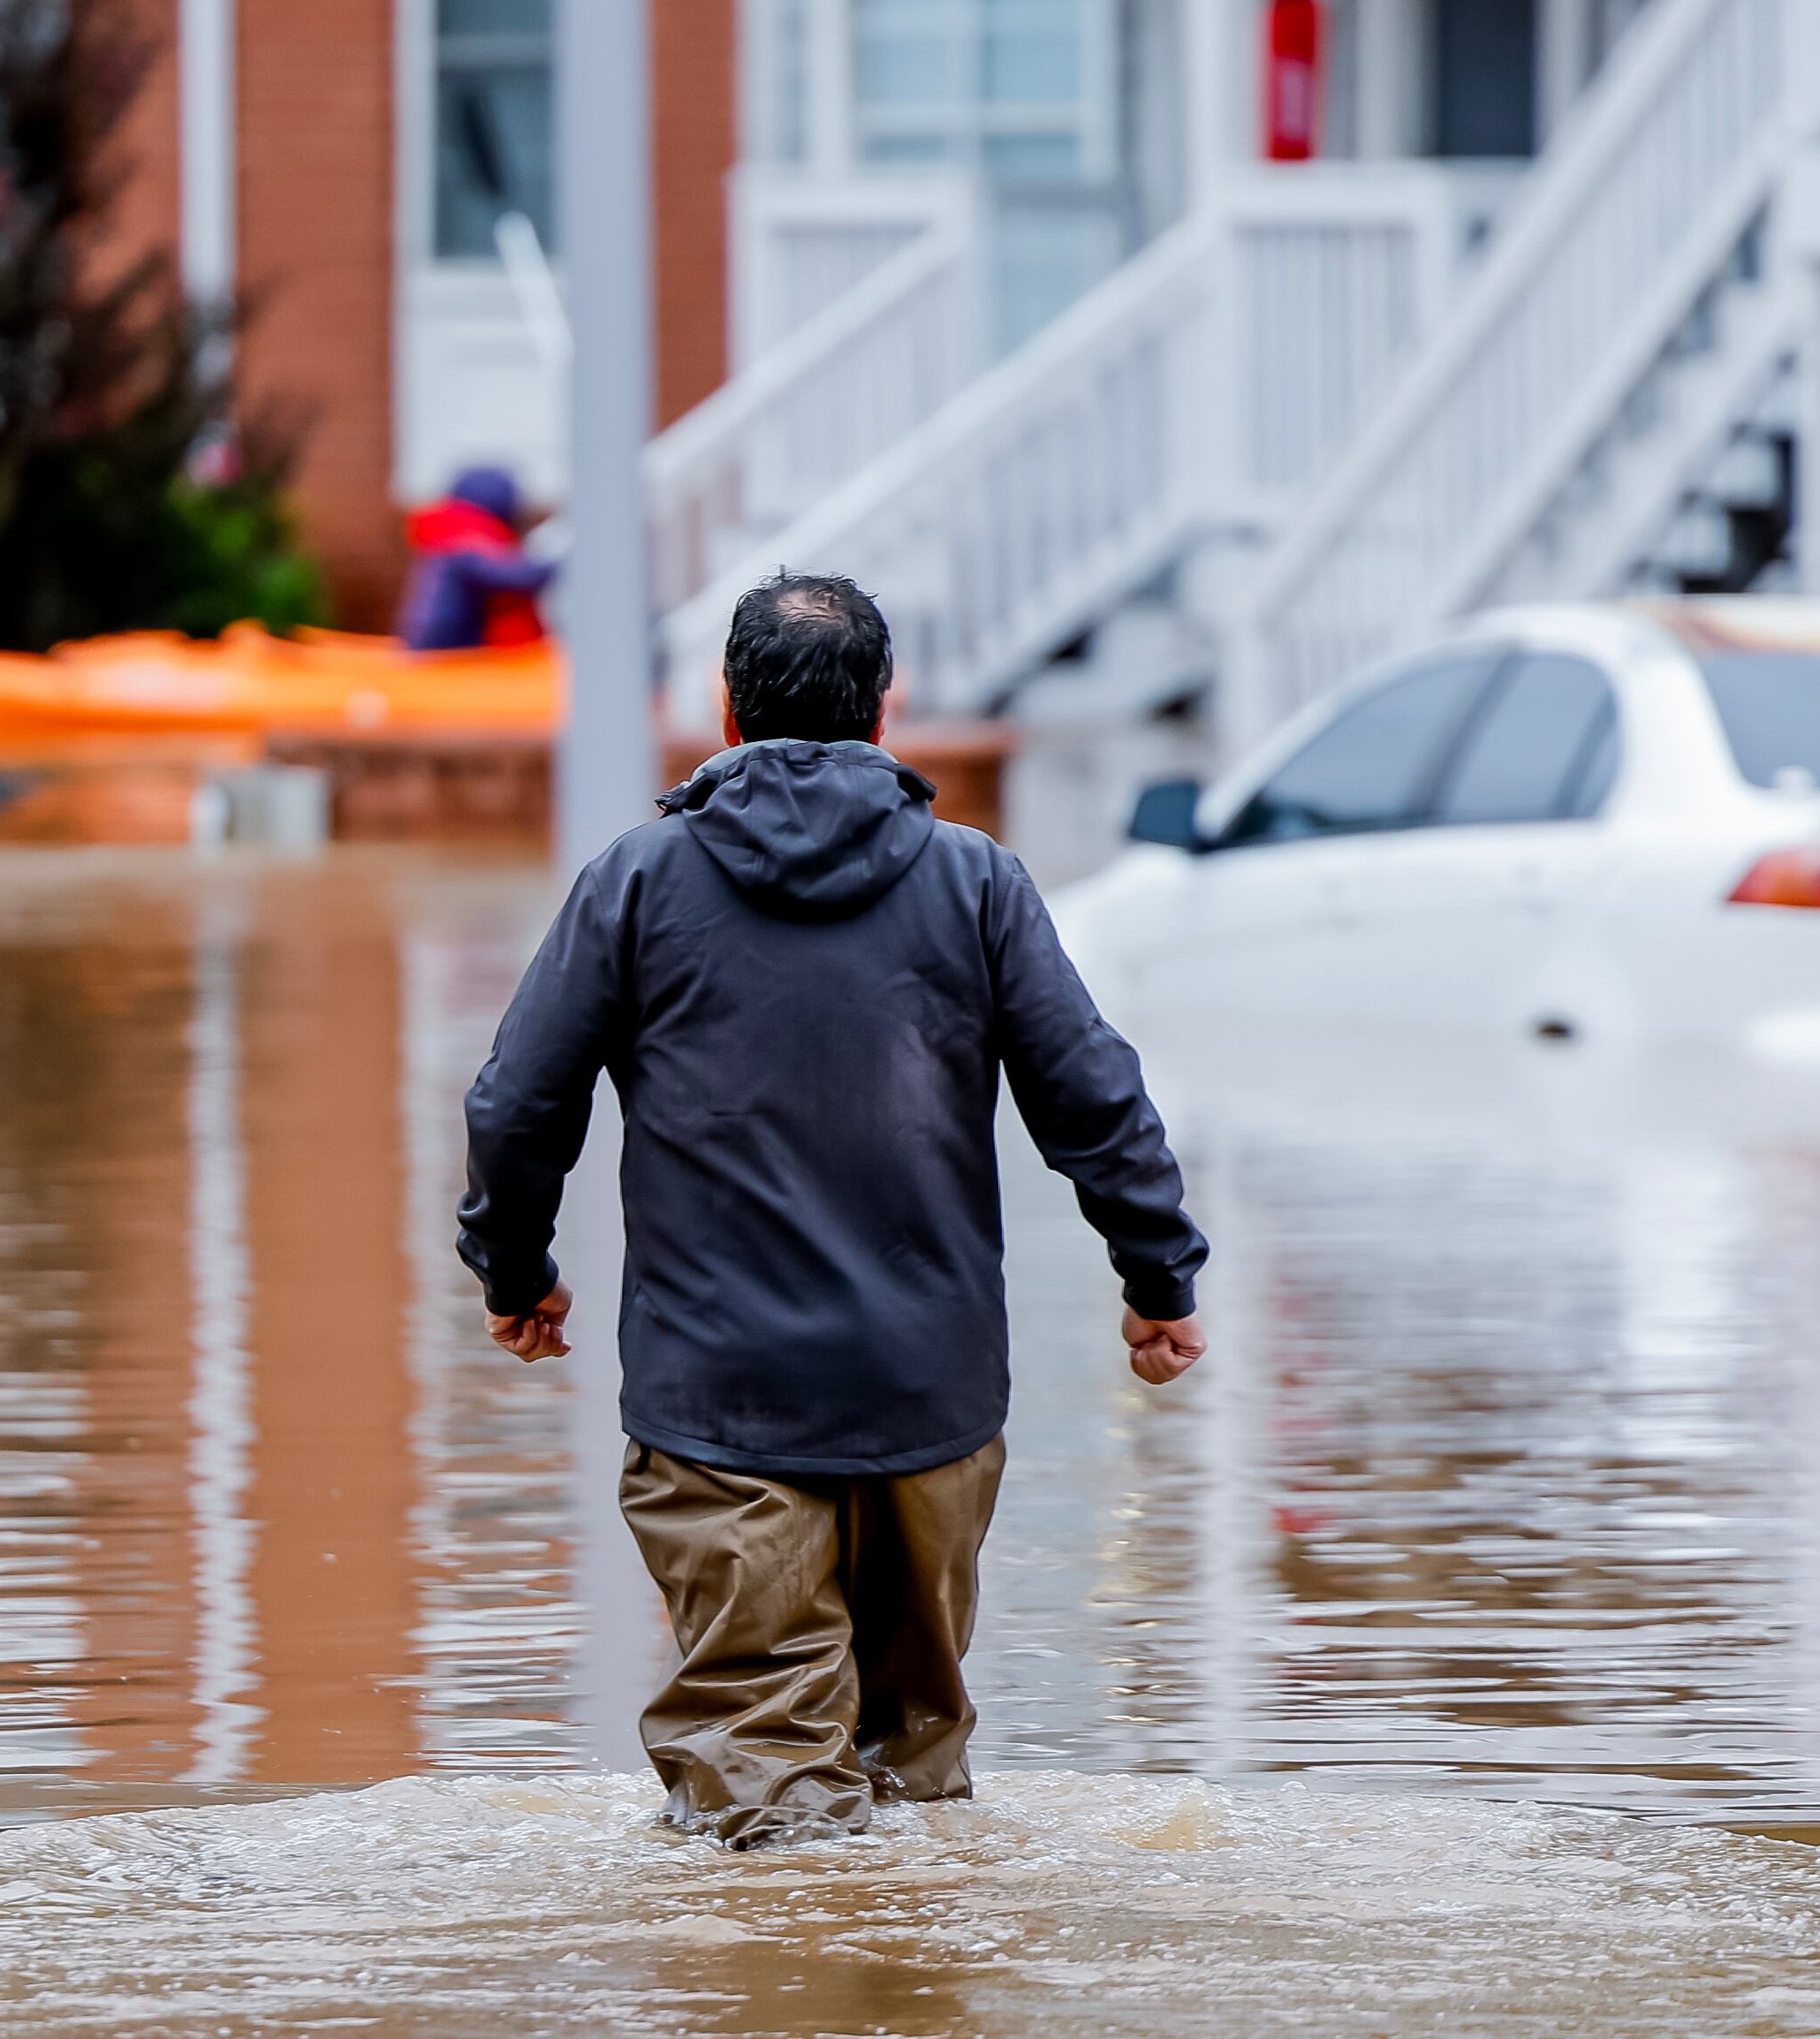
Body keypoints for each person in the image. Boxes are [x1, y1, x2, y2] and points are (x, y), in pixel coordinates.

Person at [456, 572, 1210, 1846]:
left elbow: (517, 1104)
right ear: (885, 709)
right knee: (912, 1768)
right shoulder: (976, 883)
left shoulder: (639, 882)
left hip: (721, 1406)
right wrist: (1158, 1281)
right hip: (931, 1403)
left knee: (766, 1793)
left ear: (725, 711)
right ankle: (913, 2034)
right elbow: (1094, 1096)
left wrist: (513, 1270)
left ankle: (787, 2028)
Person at [396, 466, 556, 652]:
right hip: (445, 652)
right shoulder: (466, 542)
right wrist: (554, 564)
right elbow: (512, 575)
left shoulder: (448, 533)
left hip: (437, 647)